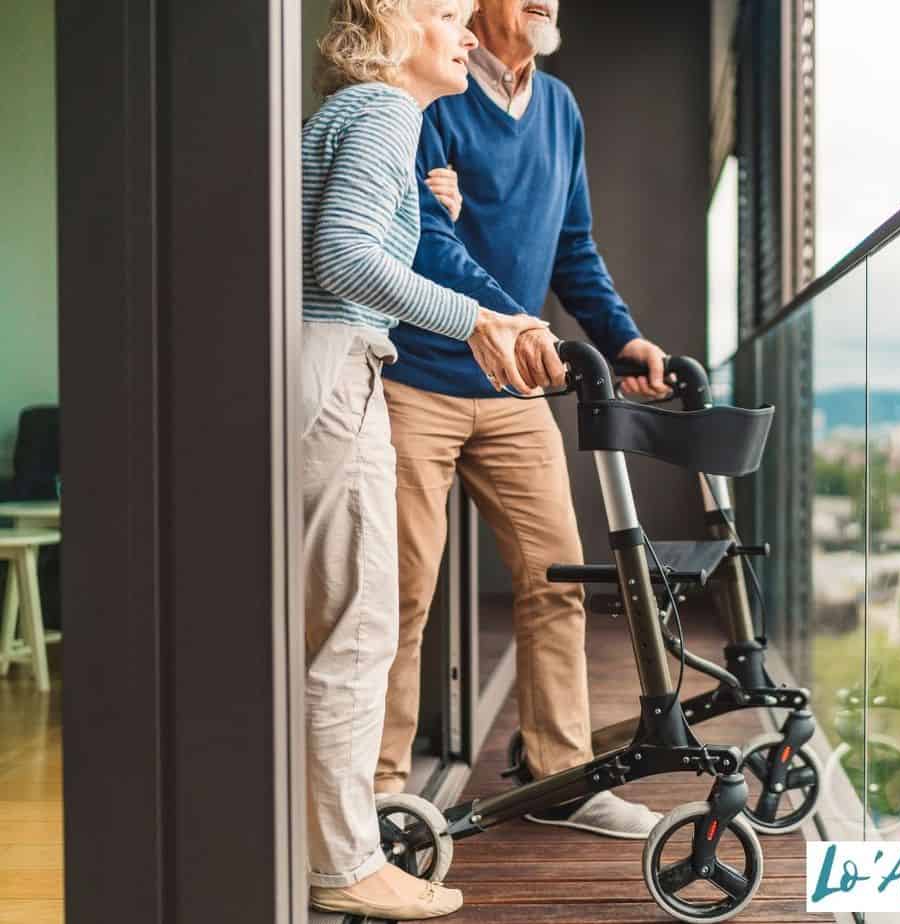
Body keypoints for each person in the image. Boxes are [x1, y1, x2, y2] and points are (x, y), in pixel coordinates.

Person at [375, 0, 672, 839]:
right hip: (418, 379)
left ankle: (564, 781)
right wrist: (526, 325)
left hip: (514, 389)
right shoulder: (429, 84)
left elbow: (572, 244)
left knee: (559, 583)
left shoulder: (559, 106)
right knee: (402, 596)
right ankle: (379, 798)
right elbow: (426, 240)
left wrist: (620, 338)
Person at [301, 0, 549, 918]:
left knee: (337, 622)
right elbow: (341, 259)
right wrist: (476, 316)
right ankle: (339, 868)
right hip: (334, 363)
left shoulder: (355, 117)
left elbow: (338, 235)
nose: (469, 32)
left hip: (312, 365)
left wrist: (416, 204)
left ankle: (325, 845)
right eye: (447, 12)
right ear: (390, 21)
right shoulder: (383, 110)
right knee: (354, 629)